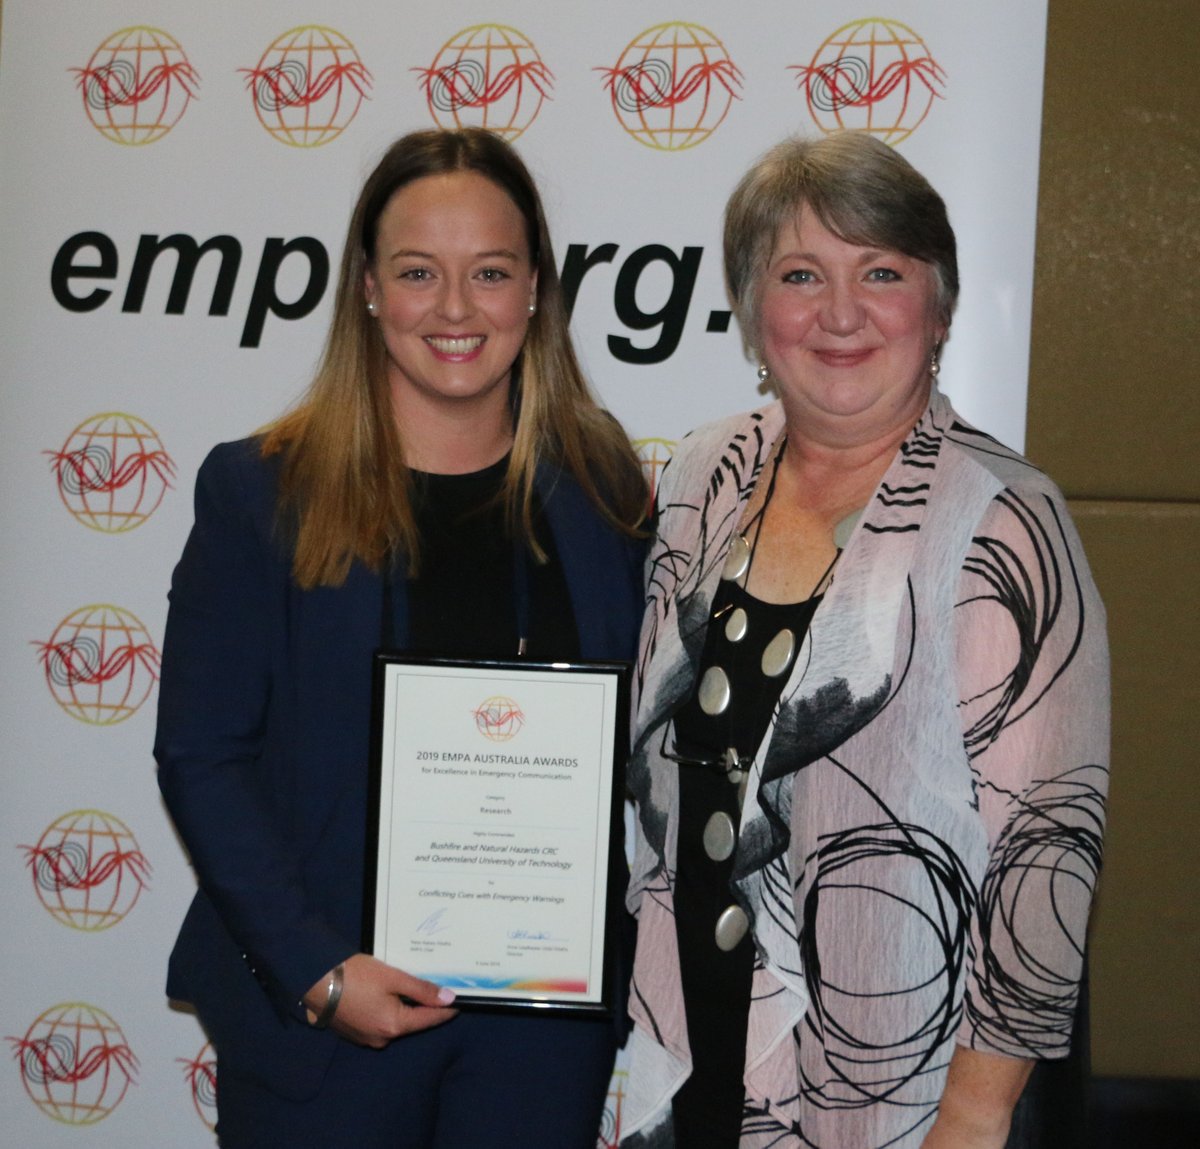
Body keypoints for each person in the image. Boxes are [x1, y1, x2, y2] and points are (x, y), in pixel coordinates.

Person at [155, 127, 647, 1147]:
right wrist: (318, 971)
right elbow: (202, 754)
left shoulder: (603, 492)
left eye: (492, 273)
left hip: (541, 1039)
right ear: (370, 288)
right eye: (420, 272)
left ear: (536, 291)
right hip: (327, 1025)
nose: (457, 309)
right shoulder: (261, 492)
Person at [619, 132, 1109, 1149]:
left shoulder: (1002, 520)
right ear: (755, 310)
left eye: (880, 272)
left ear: (938, 307)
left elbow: (1044, 851)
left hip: (898, 1089)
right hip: (692, 1051)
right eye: (802, 274)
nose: (840, 313)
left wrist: (975, 1118)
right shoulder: (704, 473)